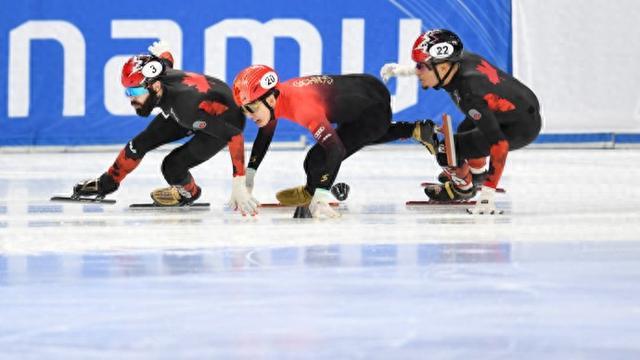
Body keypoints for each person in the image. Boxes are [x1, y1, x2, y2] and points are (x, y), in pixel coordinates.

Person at [73, 41, 258, 215]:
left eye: (136, 92)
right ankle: (107, 183)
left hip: (227, 120)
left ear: (155, 86)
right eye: (128, 92)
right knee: (139, 143)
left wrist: (239, 183)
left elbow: (234, 136)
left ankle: (190, 192)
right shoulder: (159, 78)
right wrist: (164, 51)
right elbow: (166, 60)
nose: (131, 99)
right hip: (196, 107)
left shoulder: (185, 108)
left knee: (172, 166)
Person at [380, 29, 542, 214]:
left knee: (447, 150)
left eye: (421, 67)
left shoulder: (469, 94)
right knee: (465, 130)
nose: (418, 72)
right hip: (517, 108)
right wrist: (402, 71)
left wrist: (488, 195)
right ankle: (477, 175)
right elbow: (433, 66)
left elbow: (500, 144)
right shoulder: (458, 61)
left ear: (442, 68)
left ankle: (462, 189)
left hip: (518, 128)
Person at [232, 65, 425, 218]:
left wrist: (322, 196)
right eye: (244, 110)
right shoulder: (275, 98)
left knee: (317, 159)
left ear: (270, 101)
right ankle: (416, 129)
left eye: (251, 108)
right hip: (364, 90)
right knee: (319, 157)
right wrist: (248, 179)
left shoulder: (303, 108)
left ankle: (312, 192)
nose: (249, 115)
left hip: (372, 111)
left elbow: (336, 150)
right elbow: (265, 136)